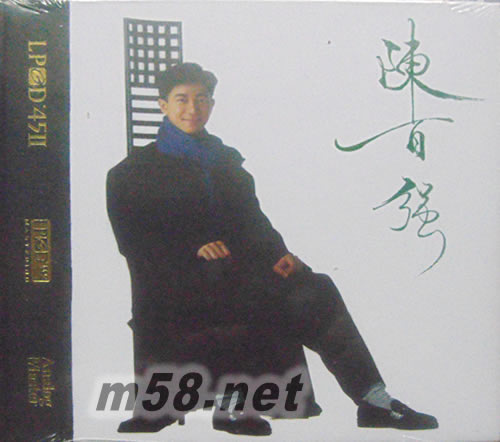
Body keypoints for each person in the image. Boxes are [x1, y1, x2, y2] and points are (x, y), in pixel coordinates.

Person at [106, 62, 438, 436]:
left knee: (315, 289)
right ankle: (232, 404)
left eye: (202, 99)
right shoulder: (131, 172)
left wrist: (280, 255)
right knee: (224, 284)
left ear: (212, 104)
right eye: (182, 99)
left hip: (240, 274)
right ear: (163, 105)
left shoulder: (227, 162)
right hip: (173, 283)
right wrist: (192, 250)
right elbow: (132, 241)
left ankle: (374, 400)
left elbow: (253, 222)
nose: (192, 109)